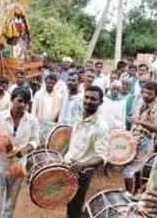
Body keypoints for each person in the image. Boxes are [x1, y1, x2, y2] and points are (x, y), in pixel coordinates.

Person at [0, 87, 40, 218]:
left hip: (18, 167)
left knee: (10, 204)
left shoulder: (32, 120)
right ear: (12, 100)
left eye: (26, 102)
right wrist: (1, 144)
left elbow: (35, 140)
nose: (23, 105)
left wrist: (26, 149)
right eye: (20, 101)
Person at [64, 85, 109, 218]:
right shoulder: (78, 116)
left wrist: (82, 165)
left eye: (93, 99)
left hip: (82, 173)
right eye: (87, 97)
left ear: (100, 102)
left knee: (75, 206)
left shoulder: (101, 126)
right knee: (68, 202)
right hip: (68, 166)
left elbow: (102, 157)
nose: (89, 101)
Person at [123, 81, 157, 194]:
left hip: (145, 143)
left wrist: (139, 122)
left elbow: (156, 128)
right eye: (144, 92)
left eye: (149, 94)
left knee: (127, 171)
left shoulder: (155, 109)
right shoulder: (142, 103)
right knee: (138, 171)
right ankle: (136, 192)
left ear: (156, 95)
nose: (146, 95)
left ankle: (129, 194)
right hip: (136, 140)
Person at [32, 73, 66, 143]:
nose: (50, 85)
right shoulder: (38, 95)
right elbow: (33, 111)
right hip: (39, 124)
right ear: (45, 82)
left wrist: (58, 126)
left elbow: (61, 114)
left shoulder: (59, 97)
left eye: (52, 83)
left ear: (55, 84)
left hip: (51, 125)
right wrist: (33, 125)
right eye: (48, 83)